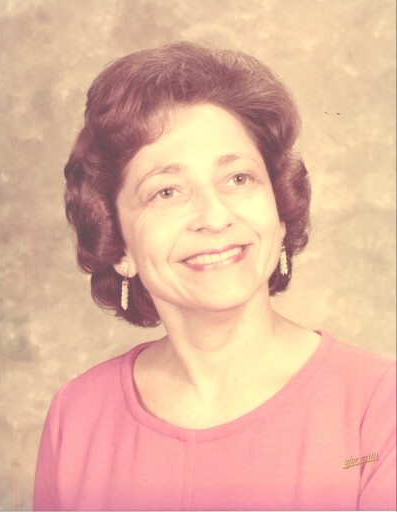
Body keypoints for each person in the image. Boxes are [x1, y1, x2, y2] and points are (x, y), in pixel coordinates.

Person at [33, 42, 396, 511]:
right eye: (167, 191)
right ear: (118, 245)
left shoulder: (380, 407)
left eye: (238, 179)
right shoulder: (76, 417)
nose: (214, 217)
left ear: (280, 212)